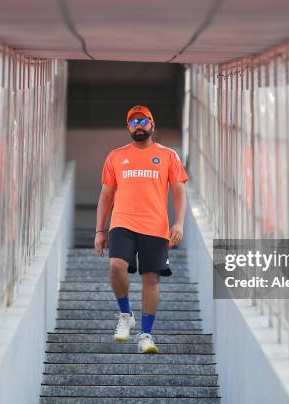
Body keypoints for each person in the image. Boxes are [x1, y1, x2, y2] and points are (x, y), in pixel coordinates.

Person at [94, 105, 188, 353]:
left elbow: (179, 192)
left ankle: (145, 335)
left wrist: (178, 223)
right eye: (133, 122)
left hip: (155, 226)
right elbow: (106, 195)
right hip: (122, 222)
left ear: (152, 124)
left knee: (151, 279)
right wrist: (99, 231)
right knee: (116, 267)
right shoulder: (115, 156)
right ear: (128, 127)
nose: (138, 126)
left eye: (143, 121)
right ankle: (126, 315)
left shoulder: (168, 155)